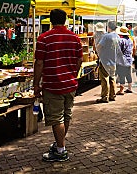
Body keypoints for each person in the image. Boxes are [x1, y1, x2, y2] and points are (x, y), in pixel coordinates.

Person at [33, 9, 83, 162]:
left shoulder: (43, 38)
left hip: (53, 84)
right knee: (66, 115)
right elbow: (79, 60)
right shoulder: (75, 38)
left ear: (50, 21)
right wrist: (73, 74)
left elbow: (39, 63)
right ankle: (59, 144)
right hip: (70, 84)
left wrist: (36, 84)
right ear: (66, 20)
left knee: (57, 118)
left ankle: (61, 150)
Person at [95, 21, 119, 103]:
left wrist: (99, 53)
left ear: (108, 27)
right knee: (112, 78)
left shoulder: (106, 36)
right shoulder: (117, 36)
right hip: (114, 61)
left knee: (105, 79)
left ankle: (104, 97)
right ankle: (112, 95)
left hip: (105, 60)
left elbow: (99, 47)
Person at [116, 26, 133, 95]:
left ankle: (121, 90)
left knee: (121, 75)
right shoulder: (130, 40)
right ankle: (129, 88)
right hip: (129, 59)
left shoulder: (121, 40)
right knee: (128, 74)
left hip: (122, 60)